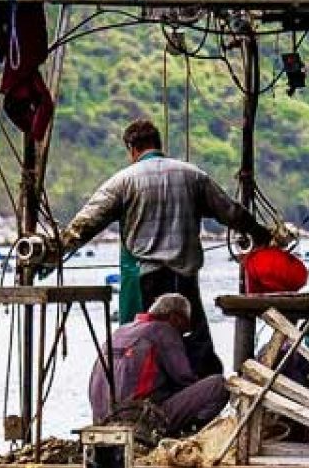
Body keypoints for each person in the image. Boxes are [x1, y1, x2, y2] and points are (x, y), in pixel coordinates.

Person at [58, 118, 272, 377]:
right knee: (196, 350)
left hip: (148, 280)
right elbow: (232, 212)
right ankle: (202, 401)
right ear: (159, 143)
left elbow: (84, 225)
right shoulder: (193, 175)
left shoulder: (123, 181)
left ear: (132, 149)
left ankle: (154, 404)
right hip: (185, 280)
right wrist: (261, 234)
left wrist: (53, 252)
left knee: (149, 352)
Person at [89, 293, 229, 437]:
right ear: (175, 318)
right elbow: (184, 379)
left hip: (103, 418)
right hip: (138, 418)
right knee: (218, 385)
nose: (181, 336)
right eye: (183, 330)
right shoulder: (164, 331)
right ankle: (186, 437)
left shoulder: (120, 330)